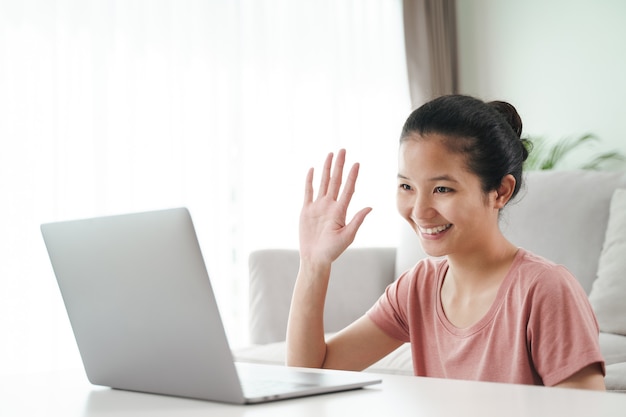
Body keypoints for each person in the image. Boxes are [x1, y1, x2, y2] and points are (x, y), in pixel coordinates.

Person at [286, 94, 606, 390]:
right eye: (407, 186)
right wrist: (314, 264)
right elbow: (311, 373)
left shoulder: (545, 290)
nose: (420, 211)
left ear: (500, 192)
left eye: (442, 189)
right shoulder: (417, 288)